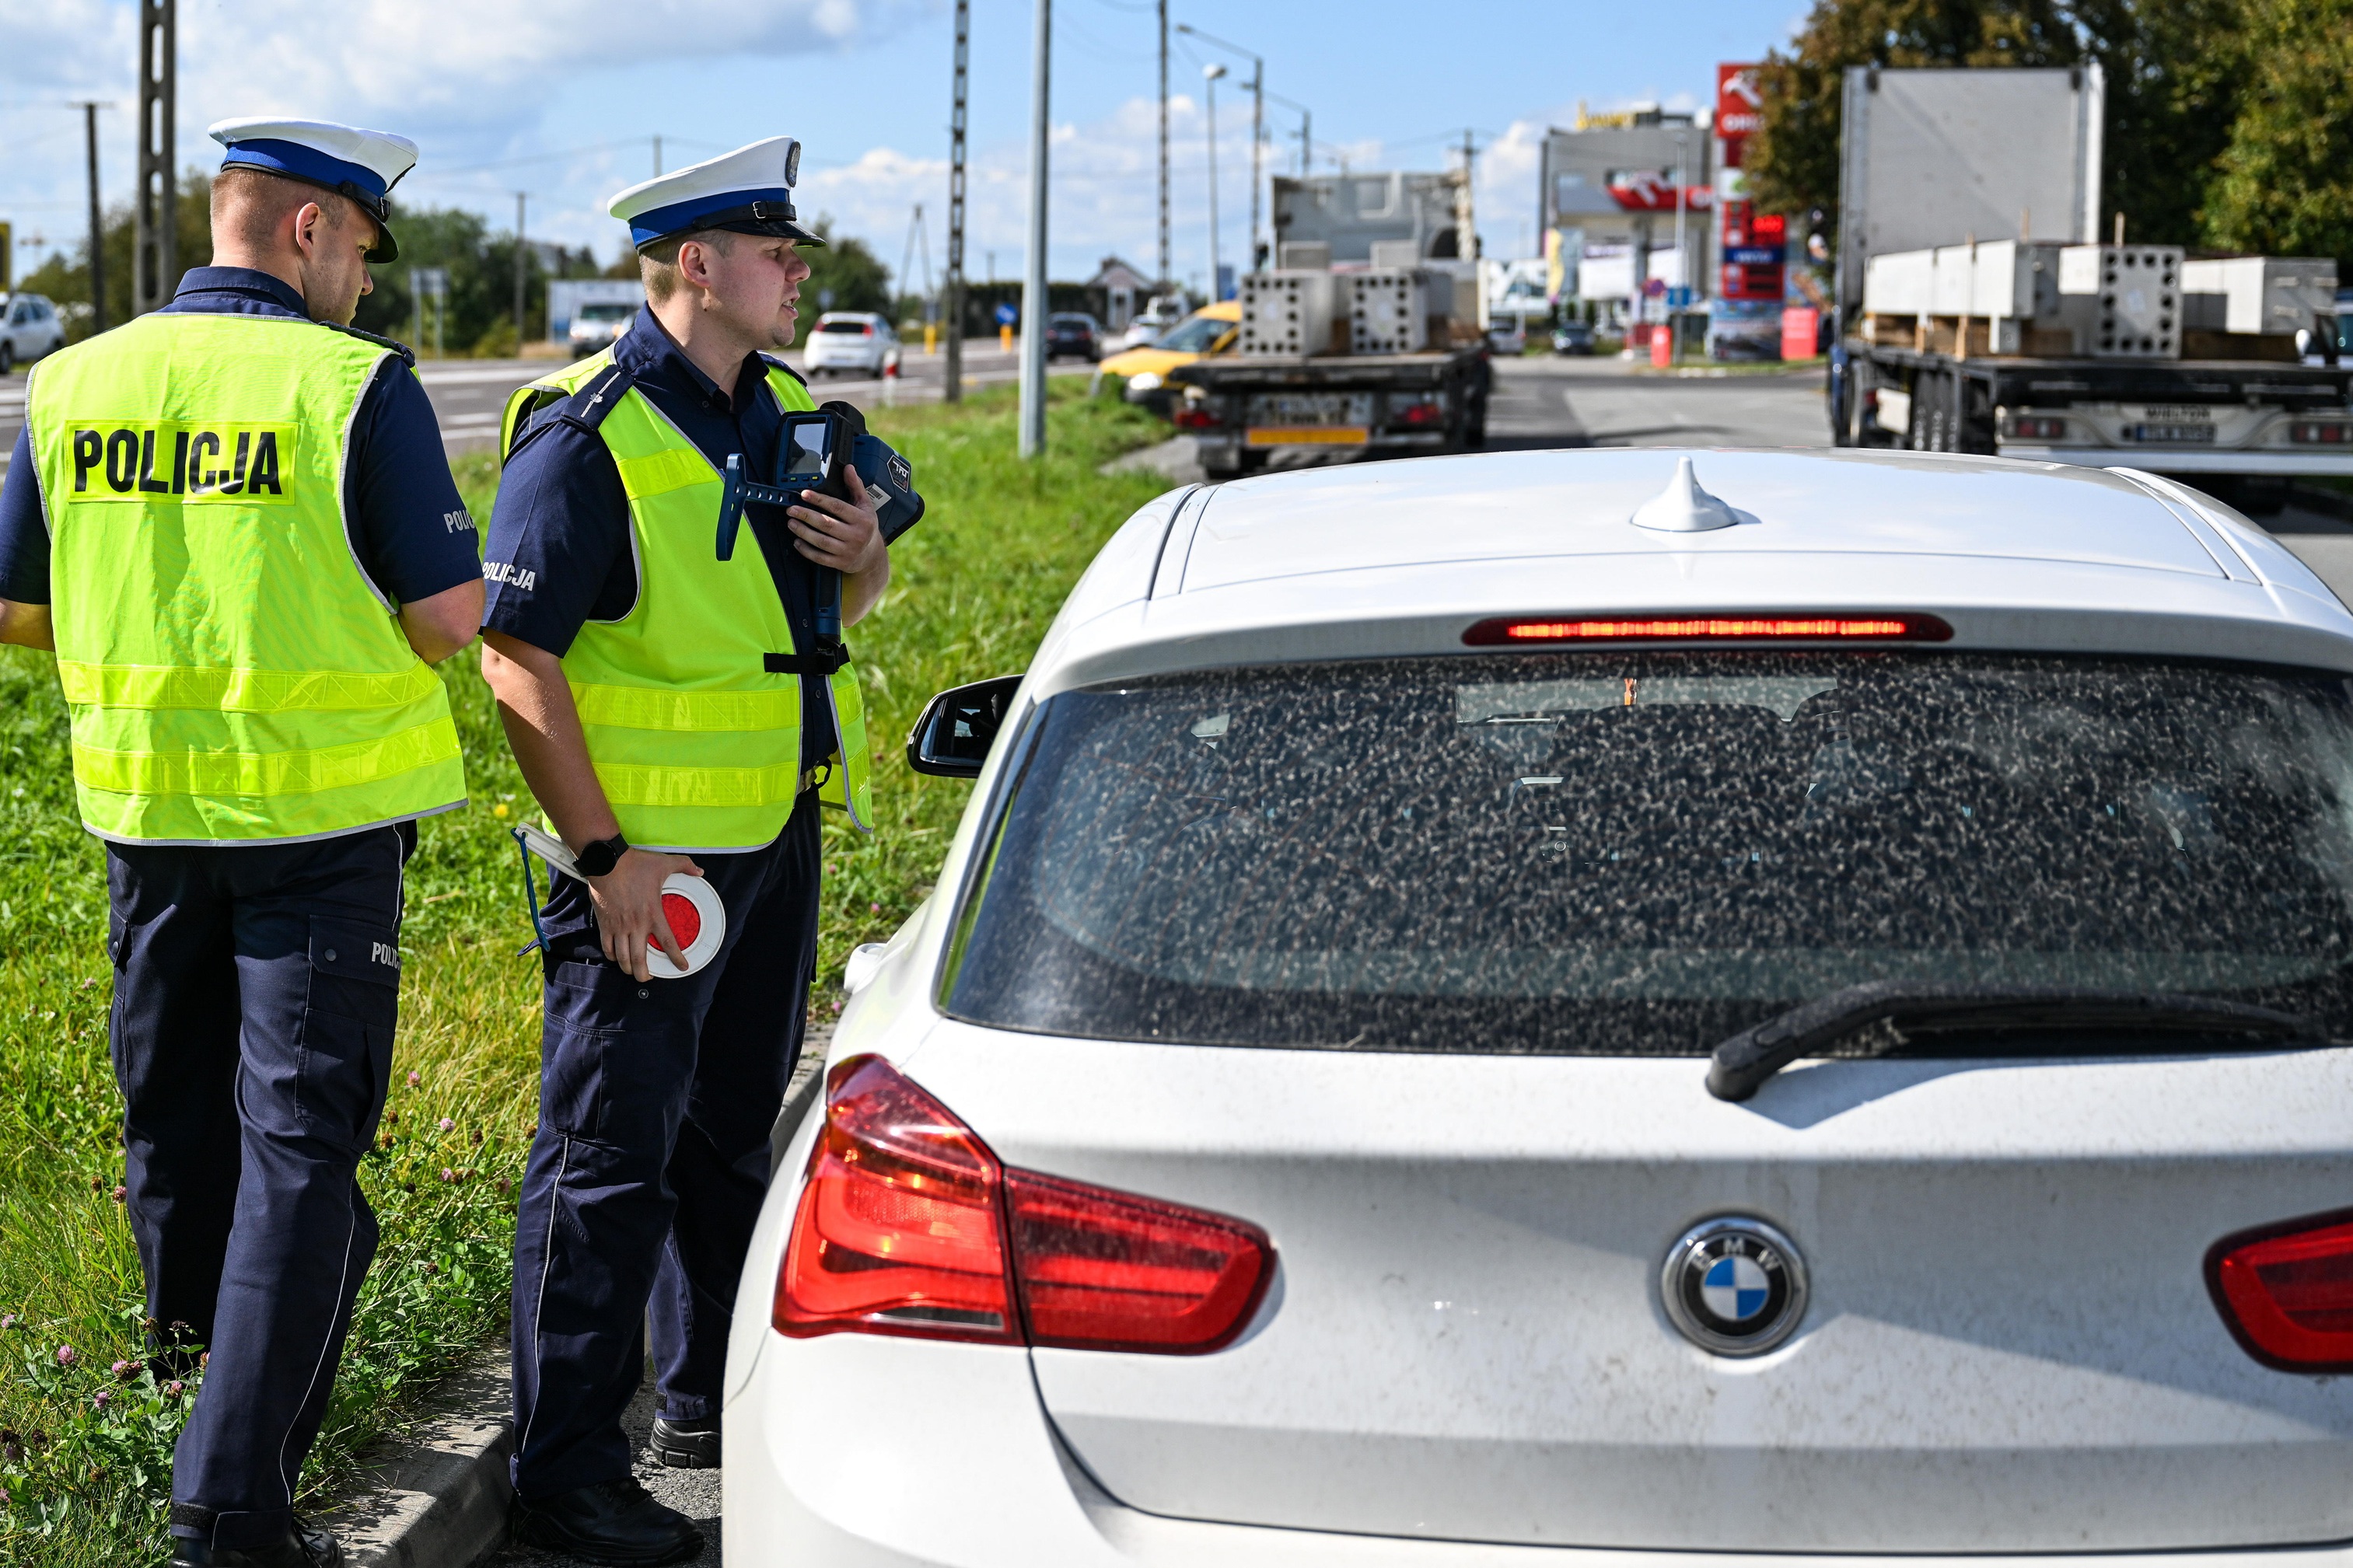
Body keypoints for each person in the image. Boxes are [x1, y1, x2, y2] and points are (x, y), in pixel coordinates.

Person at [0, 118, 484, 1568]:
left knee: (175, 1121)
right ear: (306, 232)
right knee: (298, 1149)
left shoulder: (72, 380)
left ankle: (184, 1390)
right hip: (320, 829)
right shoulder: (354, 387)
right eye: (361, 255)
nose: (367, 288)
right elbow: (450, 619)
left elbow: (17, 611)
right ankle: (227, 1510)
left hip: (145, 816)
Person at [480, 136, 909, 1563]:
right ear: (696, 267)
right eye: (778, 254)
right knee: (609, 1158)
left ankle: (705, 1404)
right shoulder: (586, 433)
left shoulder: (791, 405)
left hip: (773, 835)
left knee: (731, 1140)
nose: (802, 273)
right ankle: (562, 1470)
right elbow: (515, 658)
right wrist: (606, 859)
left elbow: (865, 576)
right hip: (650, 868)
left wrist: (861, 550)